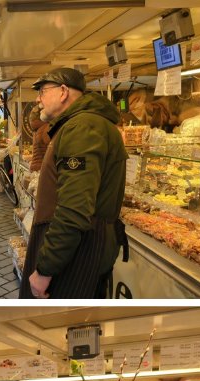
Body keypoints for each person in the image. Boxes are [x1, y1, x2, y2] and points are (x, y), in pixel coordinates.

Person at [23, 68, 128, 299]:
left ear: (62, 92)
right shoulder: (80, 124)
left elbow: (74, 208)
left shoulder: (82, 127)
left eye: (42, 91)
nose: (38, 99)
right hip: (80, 246)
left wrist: (45, 269)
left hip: (80, 251)